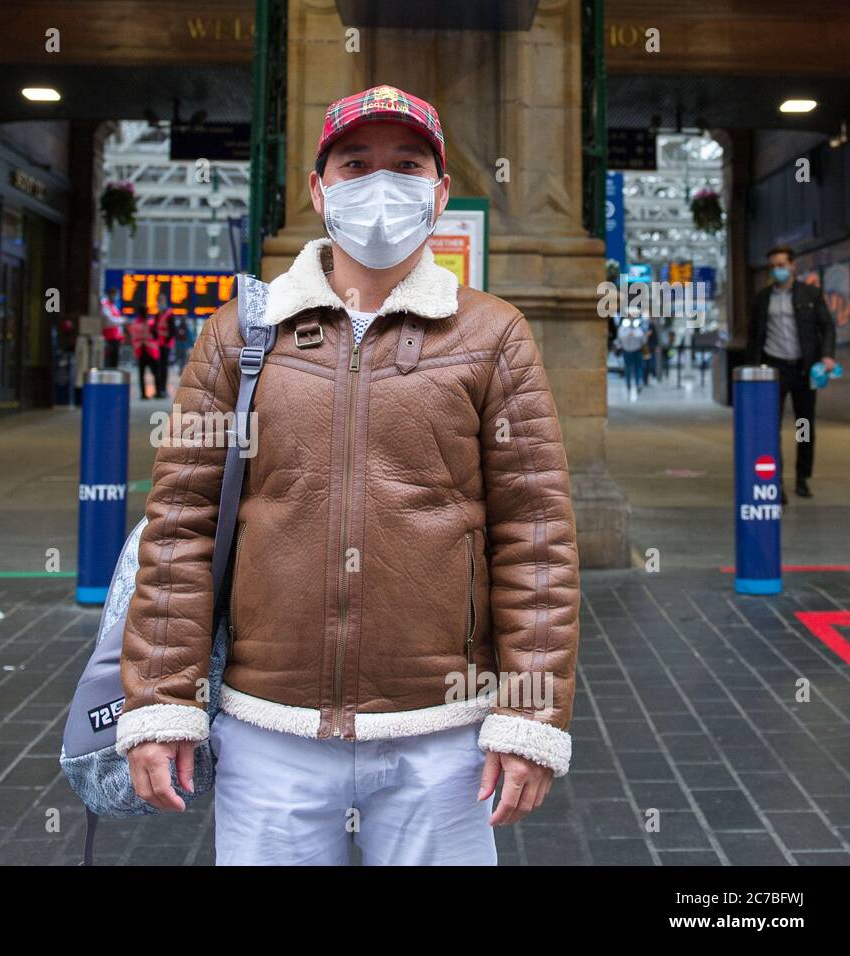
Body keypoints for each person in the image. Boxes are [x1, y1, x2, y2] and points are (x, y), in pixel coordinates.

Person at [117, 85, 580, 866]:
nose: (380, 183)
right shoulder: (239, 336)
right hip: (270, 732)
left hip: (442, 742)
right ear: (318, 189)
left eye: (406, 165)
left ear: (438, 194)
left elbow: (536, 538)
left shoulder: (494, 335)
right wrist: (162, 702)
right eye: (356, 163)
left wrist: (530, 716)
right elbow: (180, 525)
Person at [746, 245, 837, 500]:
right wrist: (752, 369)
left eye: (781, 265)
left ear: (792, 266)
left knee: (803, 425)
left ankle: (802, 478)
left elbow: (827, 326)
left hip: (804, 369)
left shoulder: (810, 294)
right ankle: (775, 482)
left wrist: (827, 356)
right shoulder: (762, 299)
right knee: (770, 428)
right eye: (773, 266)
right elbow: (754, 338)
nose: (777, 270)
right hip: (774, 369)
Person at [127, 306, 160, 399]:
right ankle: (158, 392)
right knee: (155, 372)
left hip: (140, 350)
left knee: (141, 373)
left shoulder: (134, 323)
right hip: (150, 350)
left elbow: (132, 336)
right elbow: (156, 335)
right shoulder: (151, 323)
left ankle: (143, 394)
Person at [616, 310, 646, 402]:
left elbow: (642, 339)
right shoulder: (623, 327)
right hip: (627, 351)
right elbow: (620, 338)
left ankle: (638, 384)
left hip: (637, 351)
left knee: (638, 368)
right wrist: (629, 334)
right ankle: (628, 385)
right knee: (628, 369)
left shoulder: (638, 327)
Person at [152, 294, 175, 397]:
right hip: (157, 345)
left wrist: (166, 341)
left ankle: (163, 389)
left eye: (161, 301)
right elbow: (154, 329)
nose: (159, 303)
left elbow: (172, 330)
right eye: (158, 301)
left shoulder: (170, 315)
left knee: (164, 367)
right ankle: (158, 390)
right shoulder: (157, 315)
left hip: (165, 345)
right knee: (158, 368)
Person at [99, 287, 125, 369]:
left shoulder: (114, 306)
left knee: (115, 363)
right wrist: (122, 320)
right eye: (115, 295)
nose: (116, 297)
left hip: (116, 339)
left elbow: (118, 323)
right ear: (110, 295)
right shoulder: (105, 305)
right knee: (108, 362)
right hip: (108, 339)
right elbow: (110, 321)